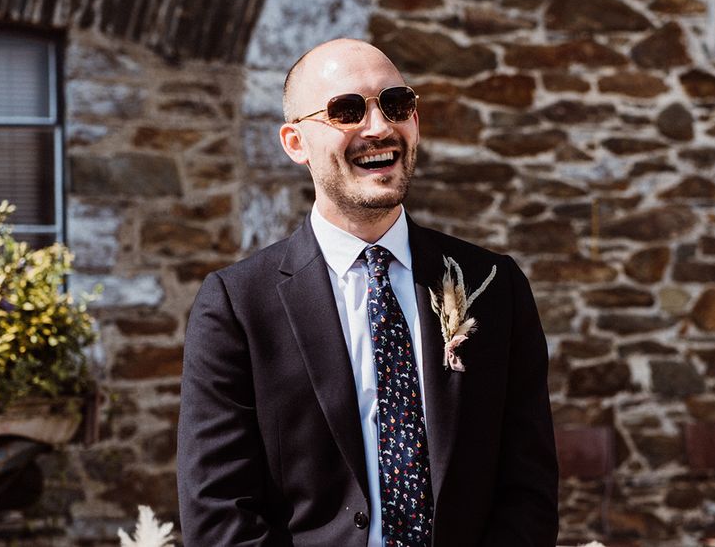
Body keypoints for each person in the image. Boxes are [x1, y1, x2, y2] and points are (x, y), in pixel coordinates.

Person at [177, 38, 558, 546]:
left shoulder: (493, 284)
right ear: (295, 143)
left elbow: (527, 487)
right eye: (347, 111)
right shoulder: (237, 306)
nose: (379, 127)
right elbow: (218, 512)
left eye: (396, 104)